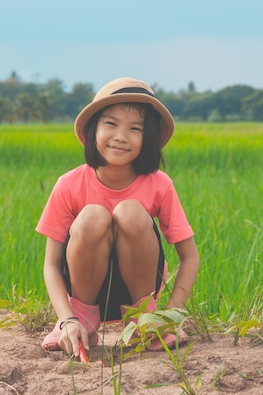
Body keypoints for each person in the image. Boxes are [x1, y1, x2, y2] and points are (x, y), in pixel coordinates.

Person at [36, 77, 200, 359]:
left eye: (135, 129)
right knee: (92, 216)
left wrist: (170, 315)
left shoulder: (159, 184)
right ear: (93, 129)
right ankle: (83, 323)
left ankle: (143, 322)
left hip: (140, 295)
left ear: (147, 138)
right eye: (111, 124)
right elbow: (51, 264)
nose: (121, 136)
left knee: (130, 211)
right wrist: (66, 319)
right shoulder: (69, 184)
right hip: (82, 294)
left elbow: (190, 257)